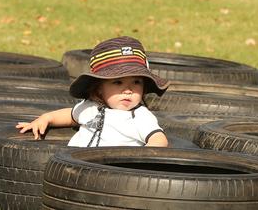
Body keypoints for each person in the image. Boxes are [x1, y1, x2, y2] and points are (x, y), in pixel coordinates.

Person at [17, 36, 170, 147]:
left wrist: (142, 157)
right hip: (73, 169)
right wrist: (46, 118)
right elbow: (70, 115)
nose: (128, 90)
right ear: (99, 88)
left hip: (112, 177)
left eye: (136, 82)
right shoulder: (90, 107)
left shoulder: (139, 116)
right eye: (118, 82)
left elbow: (159, 139)